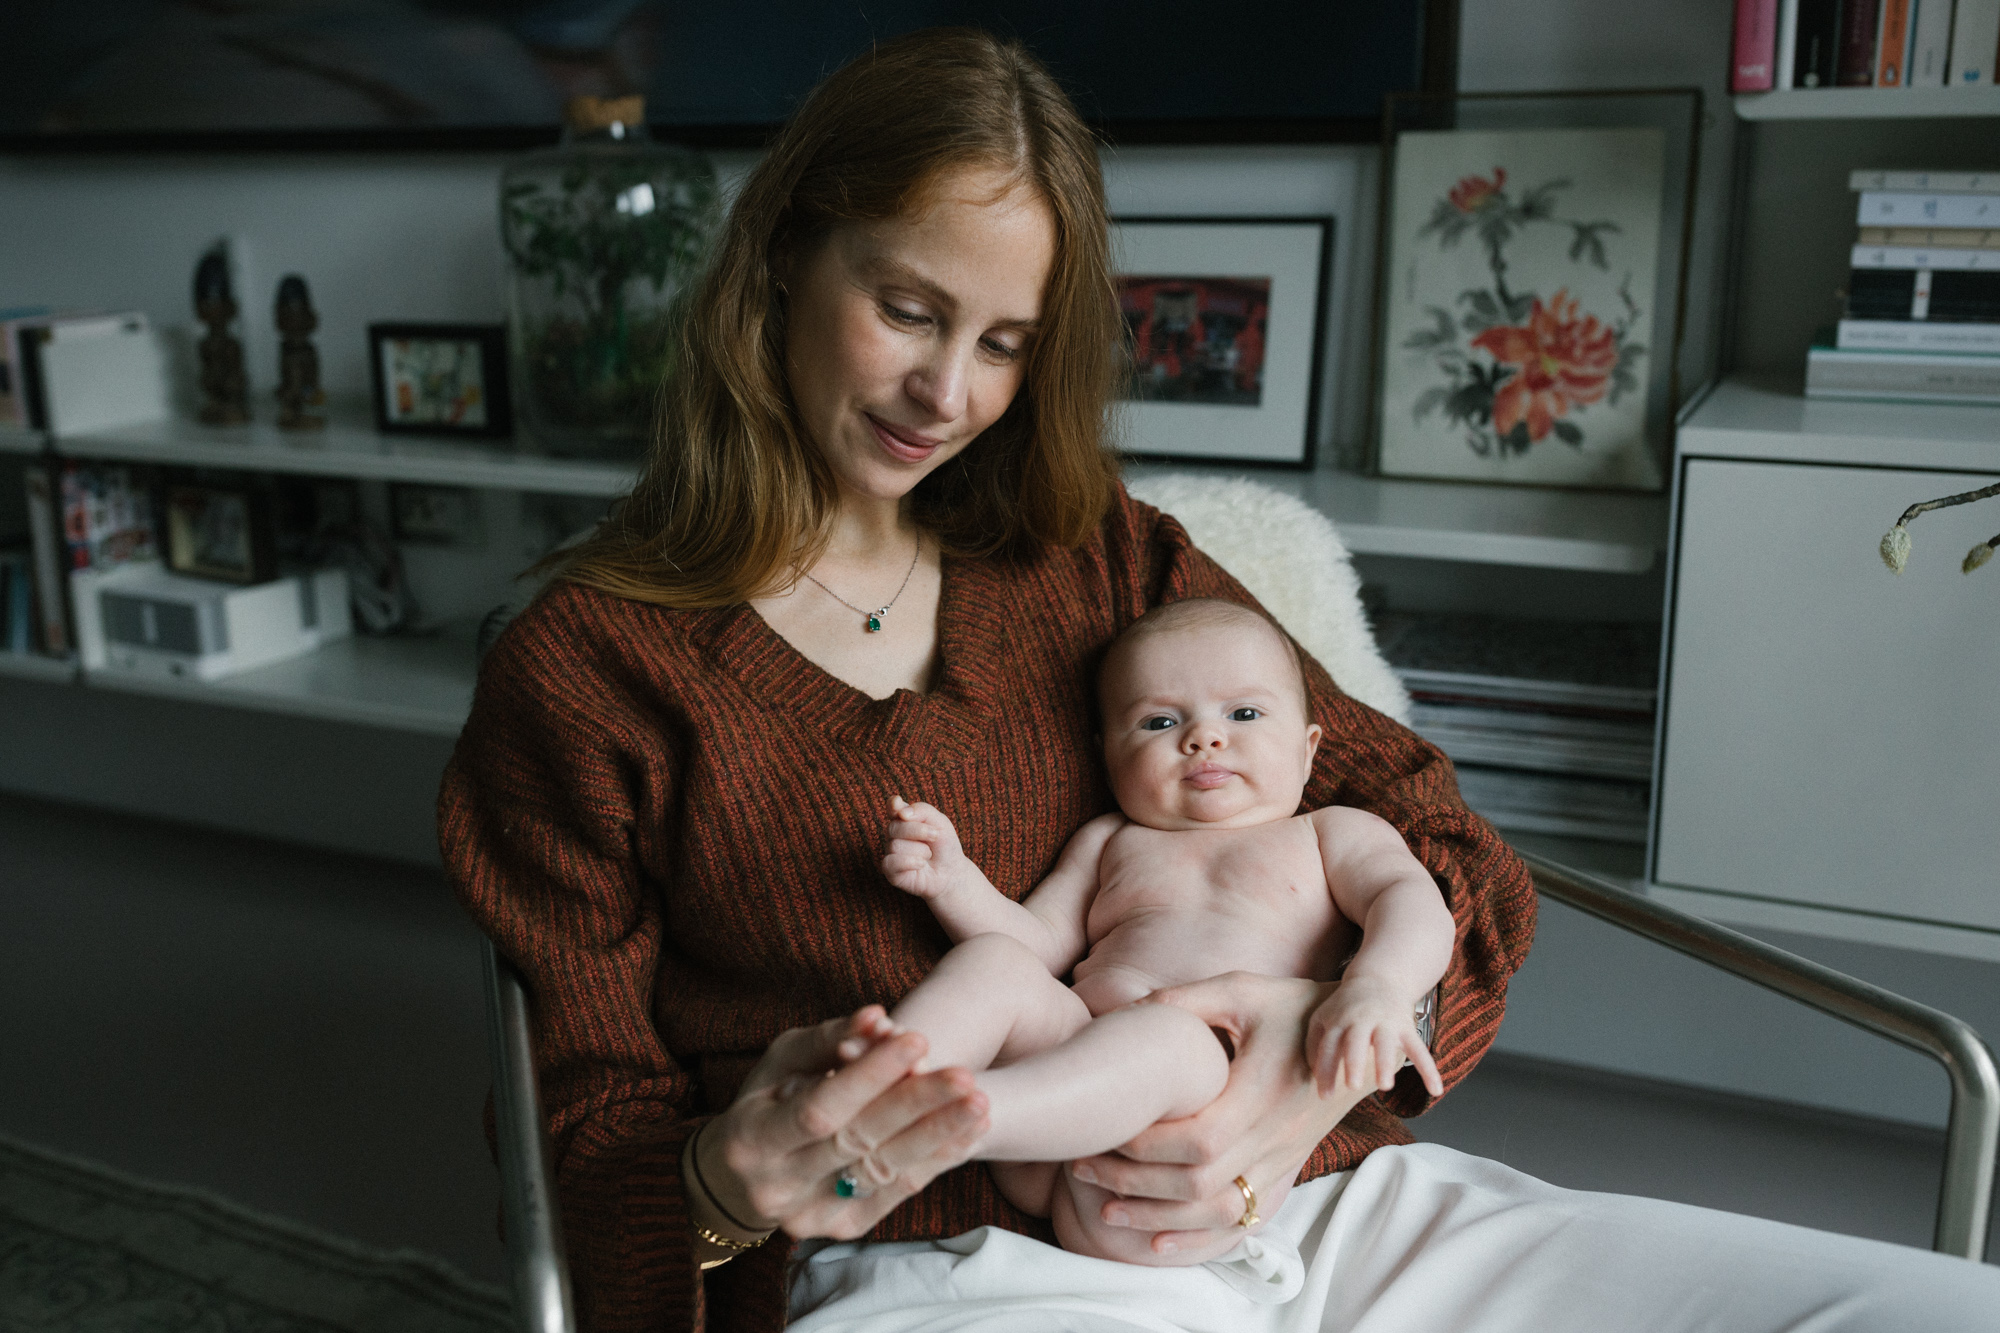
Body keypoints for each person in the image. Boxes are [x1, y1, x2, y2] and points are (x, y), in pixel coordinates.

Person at [440, 26, 2000, 1333]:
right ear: (781, 260)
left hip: (1331, 1200)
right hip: (961, 1264)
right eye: (907, 308)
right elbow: (594, 1162)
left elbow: (1452, 855)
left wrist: (1281, 1114)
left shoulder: (1098, 556)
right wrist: (729, 1188)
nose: (947, 390)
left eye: (1003, 343)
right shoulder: (589, 673)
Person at [874, 598, 1454, 1266]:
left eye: (1243, 713)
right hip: (1054, 1118)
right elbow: (1034, 943)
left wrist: (1379, 985)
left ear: (1307, 749)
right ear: (1109, 755)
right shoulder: (1110, 841)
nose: (1205, 737)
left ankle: (951, 1121)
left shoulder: (1330, 833)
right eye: (1159, 721)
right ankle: (883, 1084)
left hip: (1179, 1160)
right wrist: (955, 881)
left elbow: (1413, 901)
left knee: (1172, 1031)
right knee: (995, 961)